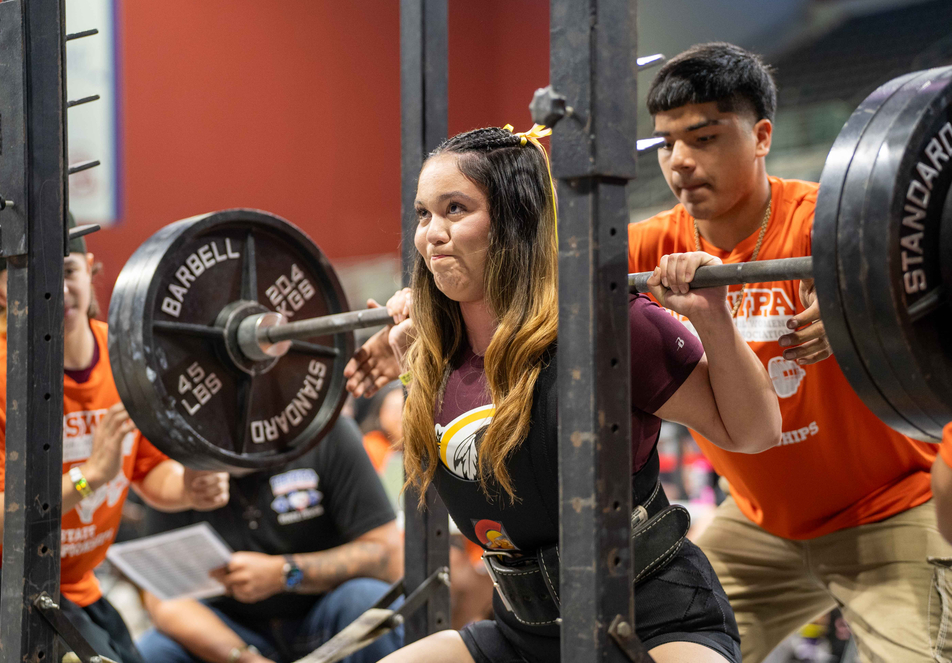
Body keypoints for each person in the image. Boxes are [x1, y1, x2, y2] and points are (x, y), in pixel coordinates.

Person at [348, 124, 783, 663]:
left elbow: (756, 431)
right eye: (423, 214)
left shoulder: (612, 325)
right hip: (522, 636)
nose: (430, 235)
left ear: (514, 220)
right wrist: (416, 357)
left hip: (650, 619)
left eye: (455, 210)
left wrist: (714, 319)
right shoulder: (431, 355)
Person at [627, 42, 952, 662]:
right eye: (667, 143)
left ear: (762, 136)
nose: (680, 162)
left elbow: (925, 302)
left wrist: (862, 316)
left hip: (887, 515)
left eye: (704, 137)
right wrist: (416, 316)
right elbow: (536, 286)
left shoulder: (833, 226)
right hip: (758, 526)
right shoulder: (653, 248)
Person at [0, 216, 230, 663]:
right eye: (31, 277)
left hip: (71, 583)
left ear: (90, 269)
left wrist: (187, 487)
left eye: (67, 271)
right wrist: (87, 479)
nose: (56, 289)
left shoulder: (126, 357)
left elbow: (150, 472)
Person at [137, 415, 405, 663]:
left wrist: (285, 574)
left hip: (322, 615)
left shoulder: (326, 431)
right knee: (153, 650)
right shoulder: (182, 460)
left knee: (370, 601)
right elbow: (162, 598)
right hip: (233, 630)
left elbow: (389, 556)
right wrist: (242, 657)